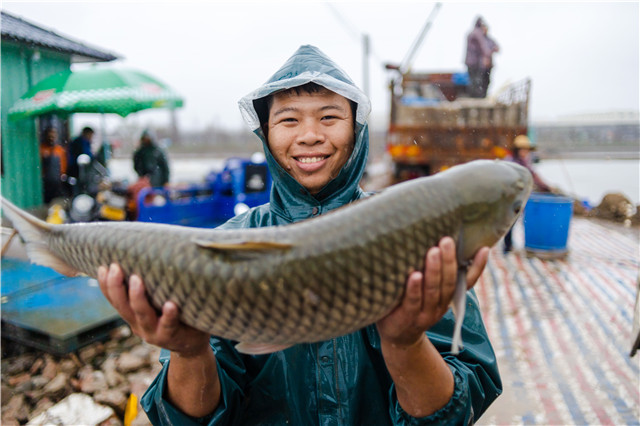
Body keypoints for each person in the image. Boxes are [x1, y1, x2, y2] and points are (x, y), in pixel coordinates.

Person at [98, 45, 500, 425]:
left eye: (329, 117)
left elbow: (457, 407)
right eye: (289, 120)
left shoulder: (413, 231)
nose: (309, 135)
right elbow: (195, 417)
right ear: (267, 135)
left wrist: (405, 343)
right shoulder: (226, 249)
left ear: (356, 130)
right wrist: (188, 350)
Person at [503, 134, 552, 253]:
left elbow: (533, 175)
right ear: (517, 150)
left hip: (519, 196)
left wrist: (545, 187)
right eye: (522, 149)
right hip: (510, 195)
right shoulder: (510, 161)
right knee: (509, 222)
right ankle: (507, 246)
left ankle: (510, 245)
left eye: (526, 149)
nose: (524, 152)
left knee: (514, 220)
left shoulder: (525, 161)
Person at [465, 17, 499, 98]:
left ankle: (475, 97)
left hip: (471, 62)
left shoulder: (471, 33)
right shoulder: (478, 34)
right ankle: (477, 98)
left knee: (475, 81)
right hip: (476, 63)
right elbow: (484, 47)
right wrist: (488, 53)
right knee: (478, 81)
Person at [39, 126, 68, 203]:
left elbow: (63, 165)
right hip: (45, 181)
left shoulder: (59, 150)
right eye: (50, 136)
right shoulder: (41, 149)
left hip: (57, 181)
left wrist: (62, 174)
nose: (51, 138)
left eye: (53, 136)